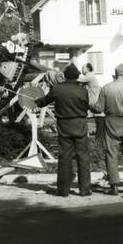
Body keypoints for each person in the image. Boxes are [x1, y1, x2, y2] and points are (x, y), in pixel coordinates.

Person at [33, 63, 91, 197]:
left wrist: (36, 101)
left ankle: (63, 190)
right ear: (77, 77)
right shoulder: (83, 90)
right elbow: (86, 106)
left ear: (64, 76)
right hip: (80, 125)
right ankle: (85, 190)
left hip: (64, 126)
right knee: (83, 157)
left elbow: (44, 101)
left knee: (65, 158)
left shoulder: (57, 89)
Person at [92, 63, 123, 196]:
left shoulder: (106, 89)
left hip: (112, 123)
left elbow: (99, 108)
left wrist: (91, 105)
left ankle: (114, 186)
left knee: (111, 155)